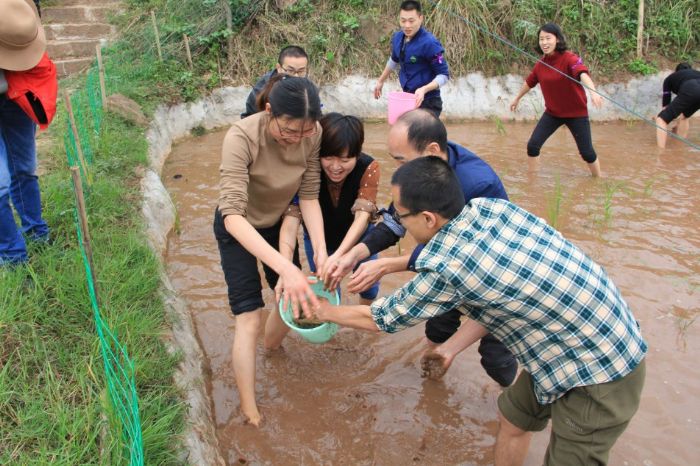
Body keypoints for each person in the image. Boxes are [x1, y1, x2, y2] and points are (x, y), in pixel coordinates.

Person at [312, 156, 647, 466]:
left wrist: (322, 311)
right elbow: (494, 296)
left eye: (400, 216)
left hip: (601, 369)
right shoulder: (489, 209)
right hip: (581, 335)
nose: (397, 222)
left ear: (428, 218)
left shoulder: (450, 269)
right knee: (514, 416)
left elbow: (381, 318)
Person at [324, 109, 518, 387]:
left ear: (432, 150)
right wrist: (355, 254)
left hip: (494, 276)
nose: (399, 168)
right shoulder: (420, 171)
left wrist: (389, 264)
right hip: (446, 268)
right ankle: (431, 381)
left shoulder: (478, 185)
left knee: (495, 357)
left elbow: (463, 258)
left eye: (401, 160)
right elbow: (394, 221)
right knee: (437, 327)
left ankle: (509, 402)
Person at [213, 74, 327, 426]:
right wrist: (287, 268)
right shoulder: (241, 136)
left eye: (305, 132)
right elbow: (232, 215)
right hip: (240, 228)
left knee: (290, 298)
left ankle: (272, 350)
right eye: (289, 131)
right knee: (249, 316)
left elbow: (308, 196)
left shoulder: (313, 135)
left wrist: (320, 252)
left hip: (278, 220)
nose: (297, 140)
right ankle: (250, 411)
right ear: (269, 112)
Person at [279, 113, 381, 316]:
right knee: (326, 285)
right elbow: (291, 220)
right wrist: (285, 266)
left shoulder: (368, 167)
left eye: (345, 160)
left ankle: (363, 326)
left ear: (357, 154)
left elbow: (362, 216)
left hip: (359, 238)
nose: (335, 167)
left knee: (368, 286)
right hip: (318, 239)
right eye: (328, 158)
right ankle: (332, 322)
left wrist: (340, 255)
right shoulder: (307, 169)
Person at [0, 0, 57, 267]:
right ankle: (13, 257)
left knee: (25, 168)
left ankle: (37, 232)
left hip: (15, 97)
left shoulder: (15, 14)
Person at [510, 23, 603, 177]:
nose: (544, 42)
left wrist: (593, 92)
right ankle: (532, 179)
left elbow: (582, 73)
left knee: (587, 152)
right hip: (553, 113)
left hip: (576, 113)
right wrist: (517, 99)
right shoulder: (541, 65)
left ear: (557, 40)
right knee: (533, 146)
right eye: (541, 39)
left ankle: (598, 179)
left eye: (548, 38)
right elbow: (529, 82)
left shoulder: (569, 58)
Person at [374, 1, 449, 118]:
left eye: (411, 21)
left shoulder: (430, 43)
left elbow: (444, 76)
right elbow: (394, 60)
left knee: (421, 134)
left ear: (420, 18)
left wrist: (424, 89)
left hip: (428, 102)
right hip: (408, 100)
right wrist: (380, 81)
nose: (407, 25)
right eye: (403, 21)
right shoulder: (398, 37)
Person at [240, 45, 309, 119]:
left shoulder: (307, 85)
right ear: (279, 68)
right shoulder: (263, 89)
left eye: (301, 71)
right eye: (290, 71)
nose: (296, 76)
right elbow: (249, 118)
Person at [655, 62, 700, 148]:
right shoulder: (695, 73)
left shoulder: (670, 78)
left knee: (661, 120)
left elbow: (665, 107)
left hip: (691, 87)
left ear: (676, 71)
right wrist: (676, 125)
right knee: (684, 117)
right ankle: (679, 149)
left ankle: (660, 154)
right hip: (694, 88)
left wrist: (659, 117)